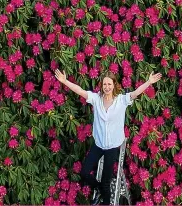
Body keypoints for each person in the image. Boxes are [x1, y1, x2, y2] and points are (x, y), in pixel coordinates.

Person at [55, 68, 162, 205]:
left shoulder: (121, 100)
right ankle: (99, 188)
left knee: (106, 181)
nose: (107, 87)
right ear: (101, 85)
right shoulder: (96, 99)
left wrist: (149, 82)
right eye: (104, 84)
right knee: (84, 172)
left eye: (109, 84)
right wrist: (65, 81)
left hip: (112, 146)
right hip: (99, 144)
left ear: (114, 84)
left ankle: (105, 199)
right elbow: (80, 91)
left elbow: (135, 93)